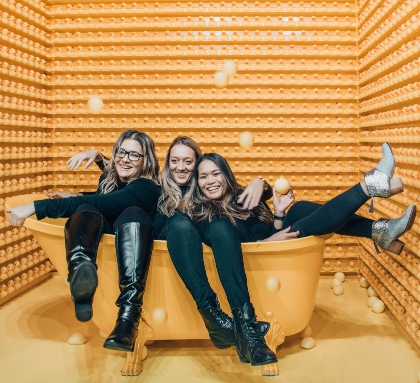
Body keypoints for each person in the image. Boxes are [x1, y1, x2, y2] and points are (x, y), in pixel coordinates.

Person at [176, 143, 416, 365]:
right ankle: (370, 190)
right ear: (197, 183)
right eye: (203, 177)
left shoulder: (243, 198)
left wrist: (278, 214)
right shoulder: (204, 214)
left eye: (216, 173)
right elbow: (235, 247)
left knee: (299, 209)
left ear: (226, 175)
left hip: (276, 252)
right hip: (265, 260)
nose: (210, 181)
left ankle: (378, 229)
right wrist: (270, 241)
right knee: (303, 225)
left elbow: (273, 230)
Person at [67, 136, 274, 366]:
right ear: (167, 163)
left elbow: (242, 194)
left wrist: (262, 183)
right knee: (180, 222)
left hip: (199, 234)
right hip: (169, 238)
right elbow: (125, 177)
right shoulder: (155, 188)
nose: (180, 167)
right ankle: (213, 314)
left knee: (222, 226)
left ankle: (247, 327)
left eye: (188, 161)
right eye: (174, 160)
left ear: (197, 165)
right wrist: (99, 158)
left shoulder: (205, 188)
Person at [6, 130, 160, 352]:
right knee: (86, 209)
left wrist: (37, 207)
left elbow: (108, 202)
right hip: (113, 242)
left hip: (137, 249)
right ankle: (81, 278)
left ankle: (128, 318)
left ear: (147, 161)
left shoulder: (146, 188)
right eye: (121, 152)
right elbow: (106, 195)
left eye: (135, 155)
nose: (126, 158)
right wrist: (97, 158)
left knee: (130, 211)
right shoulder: (111, 180)